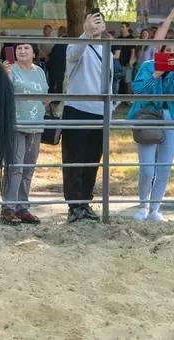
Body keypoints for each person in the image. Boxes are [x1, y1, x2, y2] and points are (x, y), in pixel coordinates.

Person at [62, 12, 114, 222]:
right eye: (93, 21)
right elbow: (74, 54)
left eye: (100, 21)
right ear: (85, 23)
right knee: (74, 160)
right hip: (77, 109)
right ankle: (74, 206)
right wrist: (86, 32)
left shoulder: (107, 51)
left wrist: (110, 109)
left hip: (100, 113)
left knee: (92, 161)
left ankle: (85, 202)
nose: (96, 25)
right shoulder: (76, 46)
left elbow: (109, 83)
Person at [129, 41, 174, 223]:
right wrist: (156, 75)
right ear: (161, 53)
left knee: (164, 169)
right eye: (168, 51)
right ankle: (143, 206)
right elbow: (138, 90)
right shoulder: (148, 67)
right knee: (147, 170)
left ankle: (155, 208)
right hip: (148, 117)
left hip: (171, 118)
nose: (172, 54)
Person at [2, 42, 48, 225]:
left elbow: (45, 95)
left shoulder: (40, 71)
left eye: (26, 48)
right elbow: (2, 93)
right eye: (19, 48)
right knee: (15, 167)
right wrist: (4, 75)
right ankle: (8, 208)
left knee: (28, 169)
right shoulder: (9, 69)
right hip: (16, 124)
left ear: (34, 53)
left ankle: (23, 208)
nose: (22, 51)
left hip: (36, 124)